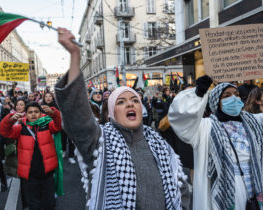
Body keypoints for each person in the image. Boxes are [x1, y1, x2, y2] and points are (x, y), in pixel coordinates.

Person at [55, 28, 190, 209]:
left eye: (135, 100)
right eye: (121, 102)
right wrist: (75, 56)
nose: (130, 104)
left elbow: (181, 190)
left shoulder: (160, 144)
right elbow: (77, 117)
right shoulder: (99, 143)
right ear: (110, 113)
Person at [168, 73, 263, 210]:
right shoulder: (204, 127)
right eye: (226, 96)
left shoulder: (255, 122)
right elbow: (181, 119)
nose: (233, 98)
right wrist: (198, 93)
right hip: (225, 191)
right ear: (216, 101)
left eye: (236, 94)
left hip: (255, 187)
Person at [0, 102, 62, 210]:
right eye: (30, 112)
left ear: (40, 114)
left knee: (50, 204)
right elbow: (4, 132)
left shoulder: (47, 125)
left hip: (47, 174)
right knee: (34, 204)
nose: (33, 114)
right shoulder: (20, 127)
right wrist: (10, 119)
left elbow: (59, 125)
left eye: (36, 112)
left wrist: (54, 113)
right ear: (26, 115)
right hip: (30, 175)